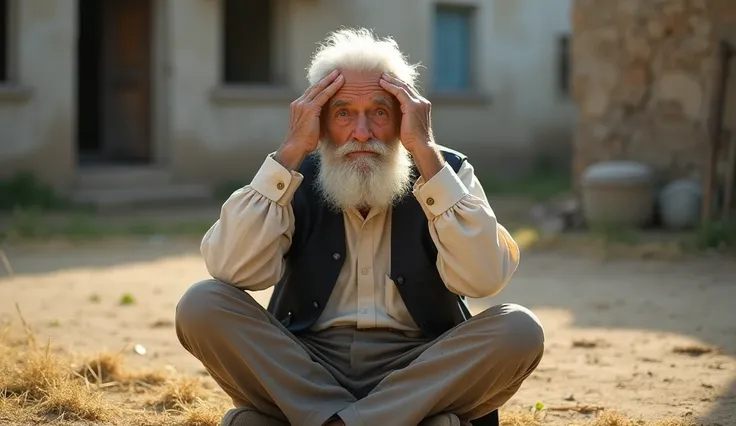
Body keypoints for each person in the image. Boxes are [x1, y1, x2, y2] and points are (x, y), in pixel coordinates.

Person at [175, 28, 544, 426]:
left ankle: (326, 421)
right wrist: (290, 151)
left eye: (380, 112)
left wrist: (427, 153)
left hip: (420, 369)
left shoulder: (447, 172)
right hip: (305, 367)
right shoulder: (291, 173)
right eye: (344, 113)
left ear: (406, 116)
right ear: (319, 120)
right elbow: (234, 270)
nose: (362, 133)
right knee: (202, 303)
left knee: (519, 329)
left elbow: (484, 279)